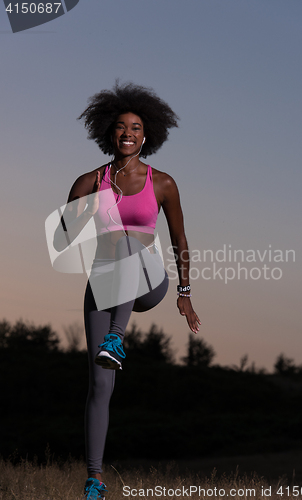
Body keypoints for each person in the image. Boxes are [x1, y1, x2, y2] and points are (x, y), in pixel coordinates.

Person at [53, 82, 201, 499]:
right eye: (120, 126)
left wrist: (185, 292)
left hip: (149, 281)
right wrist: (78, 211)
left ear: (146, 134)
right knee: (100, 386)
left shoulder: (163, 183)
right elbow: (62, 240)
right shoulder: (89, 180)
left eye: (136, 127)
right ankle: (95, 480)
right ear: (109, 133)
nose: (128, 133)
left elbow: (179, 240)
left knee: (128, 239)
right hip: (105, 283)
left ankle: (117, 337)